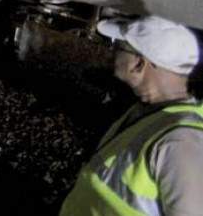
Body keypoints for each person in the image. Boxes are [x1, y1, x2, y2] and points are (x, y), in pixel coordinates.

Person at [60, 16, 203, 215]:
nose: (112, 52)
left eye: (118, 46)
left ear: (139, 64)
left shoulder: (180, 142)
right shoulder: (146, 112)